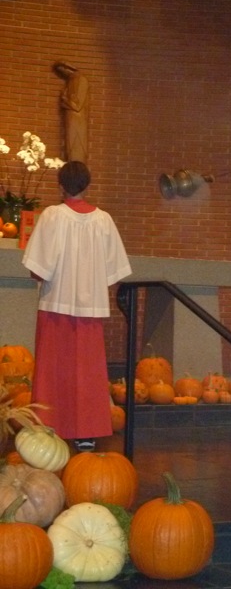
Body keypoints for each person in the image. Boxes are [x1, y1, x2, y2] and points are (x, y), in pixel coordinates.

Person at [22, 161, 132, 451]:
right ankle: (87, 433)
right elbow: (114, 272)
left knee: (52, 369)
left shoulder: (52, 216)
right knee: (88, 372)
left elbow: (37, 269)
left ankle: (48, 429)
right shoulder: (103, 220)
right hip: (90, 309)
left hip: (55, 305)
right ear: (87, 186)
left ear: (60, 185)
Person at [53, 62, 90, 163]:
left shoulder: (81, 80)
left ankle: (77, 167)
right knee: (69, 148)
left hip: (77, 121)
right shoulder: (70, 82)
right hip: (71, 120)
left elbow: (77, 106)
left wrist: (65, 99)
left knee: (76, 147)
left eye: (63, 70)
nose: (63, 73)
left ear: (69, 67)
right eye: (60, 72)